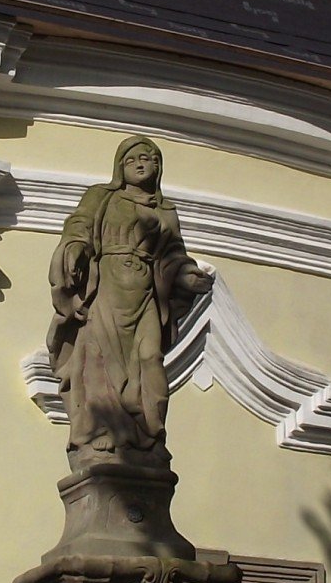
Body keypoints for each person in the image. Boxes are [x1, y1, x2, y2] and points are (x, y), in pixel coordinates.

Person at [47, 135, 212, 471]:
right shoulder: (103, 197)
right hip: (107, 288)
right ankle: (100, 433)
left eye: (149, 158)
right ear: (120, 167)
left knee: (150, 357)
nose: (141, 163)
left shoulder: (166, 211)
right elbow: (79, 226)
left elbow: (173, 255)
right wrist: (75, 249)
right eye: (133, 158)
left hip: (146, 292)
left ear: (158, 167)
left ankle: (149, 435)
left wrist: (186, 275)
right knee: (100, 363)